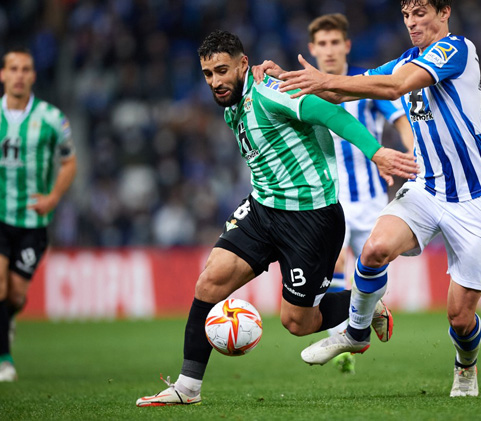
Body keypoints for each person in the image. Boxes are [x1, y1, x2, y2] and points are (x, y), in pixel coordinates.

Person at [136, 30, 417, 406]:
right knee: (210, 280)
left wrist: (376, 152)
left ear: (243, 65)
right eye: (207, 74)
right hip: (263, 208)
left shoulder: (268, 91)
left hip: (311, 219)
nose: (216, 81)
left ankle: (365, 305)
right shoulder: (232, 104)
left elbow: (328, 112)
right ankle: (187, 388)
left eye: (222, 70)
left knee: (297, 323)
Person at [255, 0, 481, 397]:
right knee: (372, 251)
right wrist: (288, 79)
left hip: (476, 200)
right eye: (406, 15)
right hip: (428, 188)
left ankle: (466, 366)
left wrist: (327, 81)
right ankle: (355, 332)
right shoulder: (405, 59)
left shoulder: (455, 49)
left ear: (444, 13)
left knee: (460, 318)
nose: (411, 22)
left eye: (420, 13)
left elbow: (395, 87)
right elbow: (339, 95)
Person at [306, 13, 414, 374]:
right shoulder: (304, 90)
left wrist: (411, 153)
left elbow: (400, 120)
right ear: (312, 49)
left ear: (347, 45)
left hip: (369, 200)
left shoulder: (366, 85)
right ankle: (347, 343)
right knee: (332, 265)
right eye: (322, 43)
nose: (329, 49)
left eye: (335, 42)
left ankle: (366, 315)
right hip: (327, 198)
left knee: (370, 271)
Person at [0, 48, 77, 382]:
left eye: (25, 69)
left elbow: (69, 161)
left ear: (33, 75)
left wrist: (53, 197)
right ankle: (4, 359)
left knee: (15, 295)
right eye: (13, 69)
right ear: (3, 74)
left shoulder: (51, 118)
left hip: (33, 222)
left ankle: (8, 319)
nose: (19, 75)